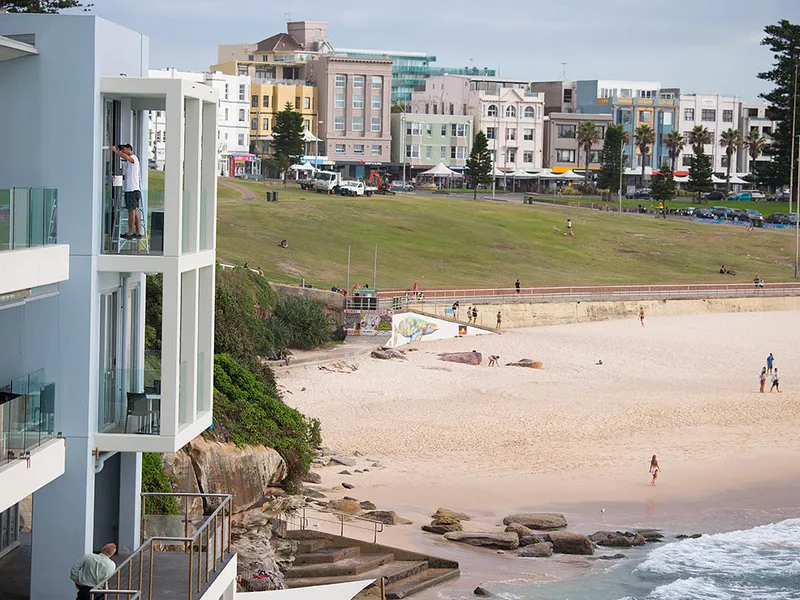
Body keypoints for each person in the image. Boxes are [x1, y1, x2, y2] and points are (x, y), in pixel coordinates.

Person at [110, 144, 141, 239]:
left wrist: (116, 151)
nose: (122, 151)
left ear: (129, 149)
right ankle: (138, 232)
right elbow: (128, 176)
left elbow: (126, 157)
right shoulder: (129, 163)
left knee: (131, 212)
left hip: (132, 190)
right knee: (135, 212)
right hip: (133, 189)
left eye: (124, 149)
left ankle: (130, 233)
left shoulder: (133, 158)